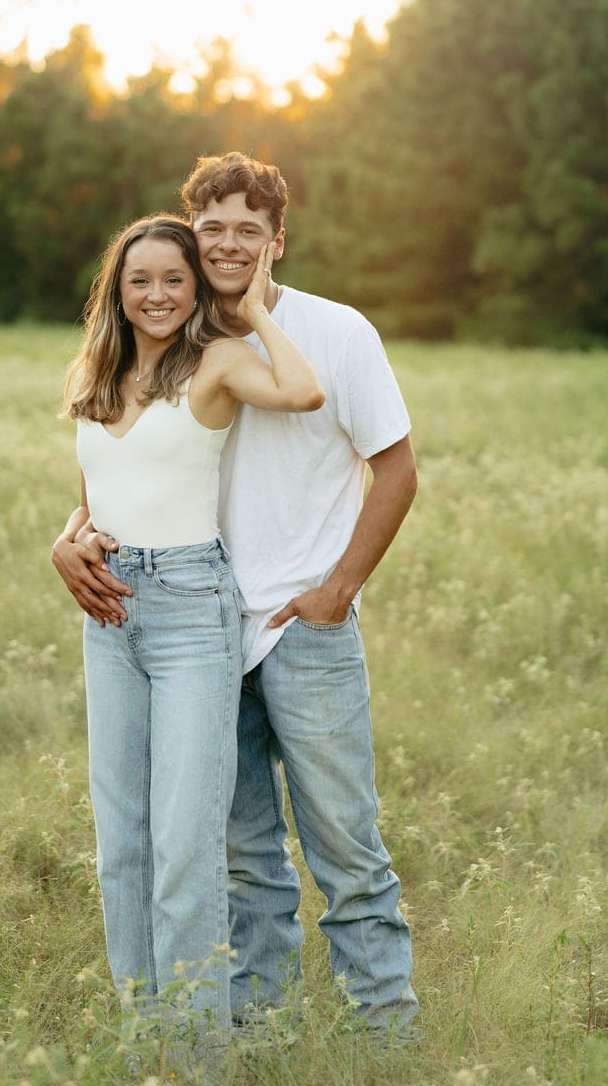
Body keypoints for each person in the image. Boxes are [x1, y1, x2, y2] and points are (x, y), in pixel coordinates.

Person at [58, 156, 420, 1040]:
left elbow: (398, 471)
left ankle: (386, 1041)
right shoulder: (174, 338)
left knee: (344, 847)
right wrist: (69, 537)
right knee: (242, 859)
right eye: (211, 227)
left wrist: (336, 591)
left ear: (275, 242)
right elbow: (132, 466)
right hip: (204, 627)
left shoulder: (334, 332)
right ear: (191, 234)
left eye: (246, 230)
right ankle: (262, 1037)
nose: (226, 243)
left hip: (302, 626)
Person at [52, 213, 324, 1045]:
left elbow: (304, 389)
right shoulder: (95, 374)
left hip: (189, 616)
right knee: (120, 845)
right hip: (113, 614)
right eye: (142, 280)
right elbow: (102, 494)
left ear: (195, 287)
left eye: (176, 278)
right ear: (119, 291)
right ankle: (147, 1044)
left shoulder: (217, 363)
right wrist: (66, 542)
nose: (159, 294)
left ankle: (198, 1054)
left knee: (183, 846)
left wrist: (250, 307)